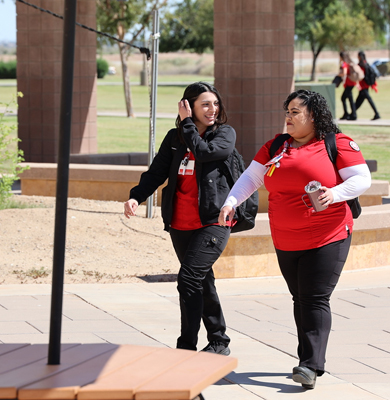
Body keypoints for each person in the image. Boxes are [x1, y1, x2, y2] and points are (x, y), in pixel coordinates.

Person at [218, 89, 371, 389]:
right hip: (286, 238)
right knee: (300, 298)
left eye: (296, 111)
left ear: (313, 116)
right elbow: (251, 177)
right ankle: (307, 359)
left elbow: (361, 178)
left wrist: (334, 193)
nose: (288, 116)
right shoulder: (276, 145)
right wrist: (231, 201)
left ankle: (310, 365)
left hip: (329, 235)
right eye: (287, 111)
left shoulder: (336, 143)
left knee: (314, 297)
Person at [124, 82, 235, 355]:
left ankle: (186, 346)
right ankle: (219, 341)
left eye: (215, 104)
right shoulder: (175, 138)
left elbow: (204, 153)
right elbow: (157, 171)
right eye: (205, 104)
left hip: (214, 221)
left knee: (188, 279)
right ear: (189, 106)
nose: (212, 109)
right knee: (200, 280)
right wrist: (136, 196)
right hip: (180, 223)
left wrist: (187, 124)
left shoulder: (224, 134)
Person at [355, 51, 380, 120]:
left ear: (359, 56)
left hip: (363, 86)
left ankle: (377, 114)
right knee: (358, 101)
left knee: (369, 100)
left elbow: (361, 76)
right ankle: (352, 113)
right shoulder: (366, 64)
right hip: (366, 86)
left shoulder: (361, 65)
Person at [338, 51, 357, 120]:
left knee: (343, 98)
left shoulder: (344, 63)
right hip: (351, 83)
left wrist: (338, 74)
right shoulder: (349, 62)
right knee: (350, 99)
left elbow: (344, 73)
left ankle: (346, 114)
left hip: (348, 84)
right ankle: (353, 115)